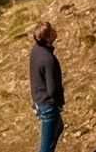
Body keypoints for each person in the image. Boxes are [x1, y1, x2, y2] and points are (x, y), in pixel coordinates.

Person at [28, 20, 65, 152]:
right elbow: (52, 89)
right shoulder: (48, 59)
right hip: (48, 105)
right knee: (45, 147)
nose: (55, 30)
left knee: (59, 126)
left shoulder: (36, 50)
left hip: (39, 100)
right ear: (49, 37)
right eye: (52, 30)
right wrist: (60, 102)